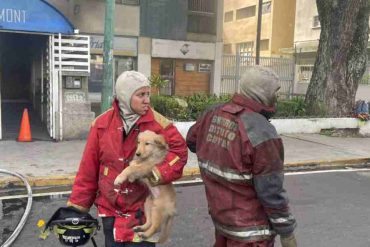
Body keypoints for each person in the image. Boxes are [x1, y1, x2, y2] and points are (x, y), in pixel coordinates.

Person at [67, 71, 188, 247]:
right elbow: (88, 170)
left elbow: (179, 153)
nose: (147, 100)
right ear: (125, 96)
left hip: (143, 212)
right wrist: (77, 208)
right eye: (141, 95)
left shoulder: (159, 124)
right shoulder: (101, 124)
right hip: (110, 212)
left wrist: (154, 173)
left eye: (148, 94)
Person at [186, 66, 297, 247]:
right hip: (252, 234)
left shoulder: (211, 113)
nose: (277, 96)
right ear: (261, 93)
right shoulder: (262, 132)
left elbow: (192, 141)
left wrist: (221, 152)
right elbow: (271, 192)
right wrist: (287, 233)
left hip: (222, 221)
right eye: (275, 92)